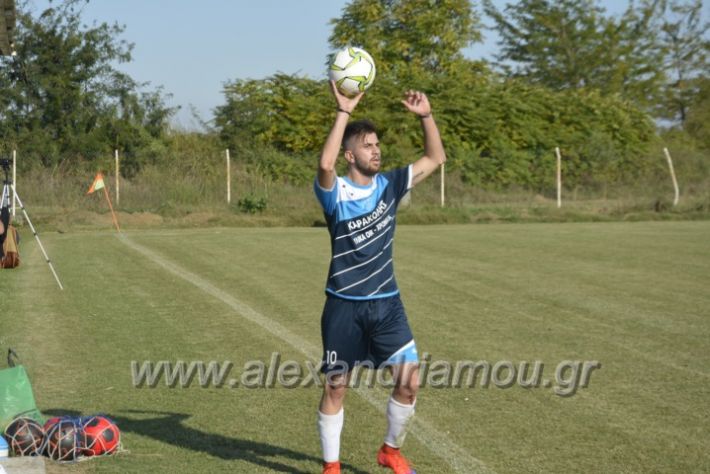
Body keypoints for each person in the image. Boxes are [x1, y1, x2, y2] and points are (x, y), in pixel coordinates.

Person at [313, 81, 446, 474]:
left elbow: (435, 157)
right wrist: (344, 112)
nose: (377, 150)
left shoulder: (390, 185)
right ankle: (331, 466)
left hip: (387, 304)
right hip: (343, 307)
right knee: (336, 387)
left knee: (410, 382)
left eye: (377, 144)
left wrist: (426, 116)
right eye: (368, 145)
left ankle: (391, 450)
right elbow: (324, 165)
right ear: (350, 154)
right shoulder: (334, 192)